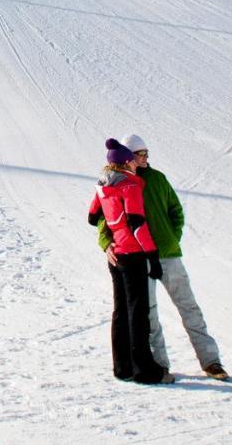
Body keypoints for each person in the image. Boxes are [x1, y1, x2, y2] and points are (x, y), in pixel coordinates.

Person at [97, 136, 229, 381]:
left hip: (167, 255)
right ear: (128, 156)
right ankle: (159, 365)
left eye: (147, 153)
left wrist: (172, 238)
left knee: (189, 307)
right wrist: (107, 245)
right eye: (140, 154)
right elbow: (104, 221)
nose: (145, 158)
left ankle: (211, 361)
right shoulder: (118, 184)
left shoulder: (157, 179)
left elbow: (176, 211)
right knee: (149, 316)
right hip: (139, 258)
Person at [88, 138, 174, 385]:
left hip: (116, 256)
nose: (137, 165)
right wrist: (152, 255)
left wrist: (113, 230)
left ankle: (122, 366)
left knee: (121, 310)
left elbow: (93, 217)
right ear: (126, 162)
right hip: (133, 254)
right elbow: (137, 224)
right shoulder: (130, 186)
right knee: (138, 312)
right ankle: (145, 371)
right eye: (132, 161)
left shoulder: (103, 185)